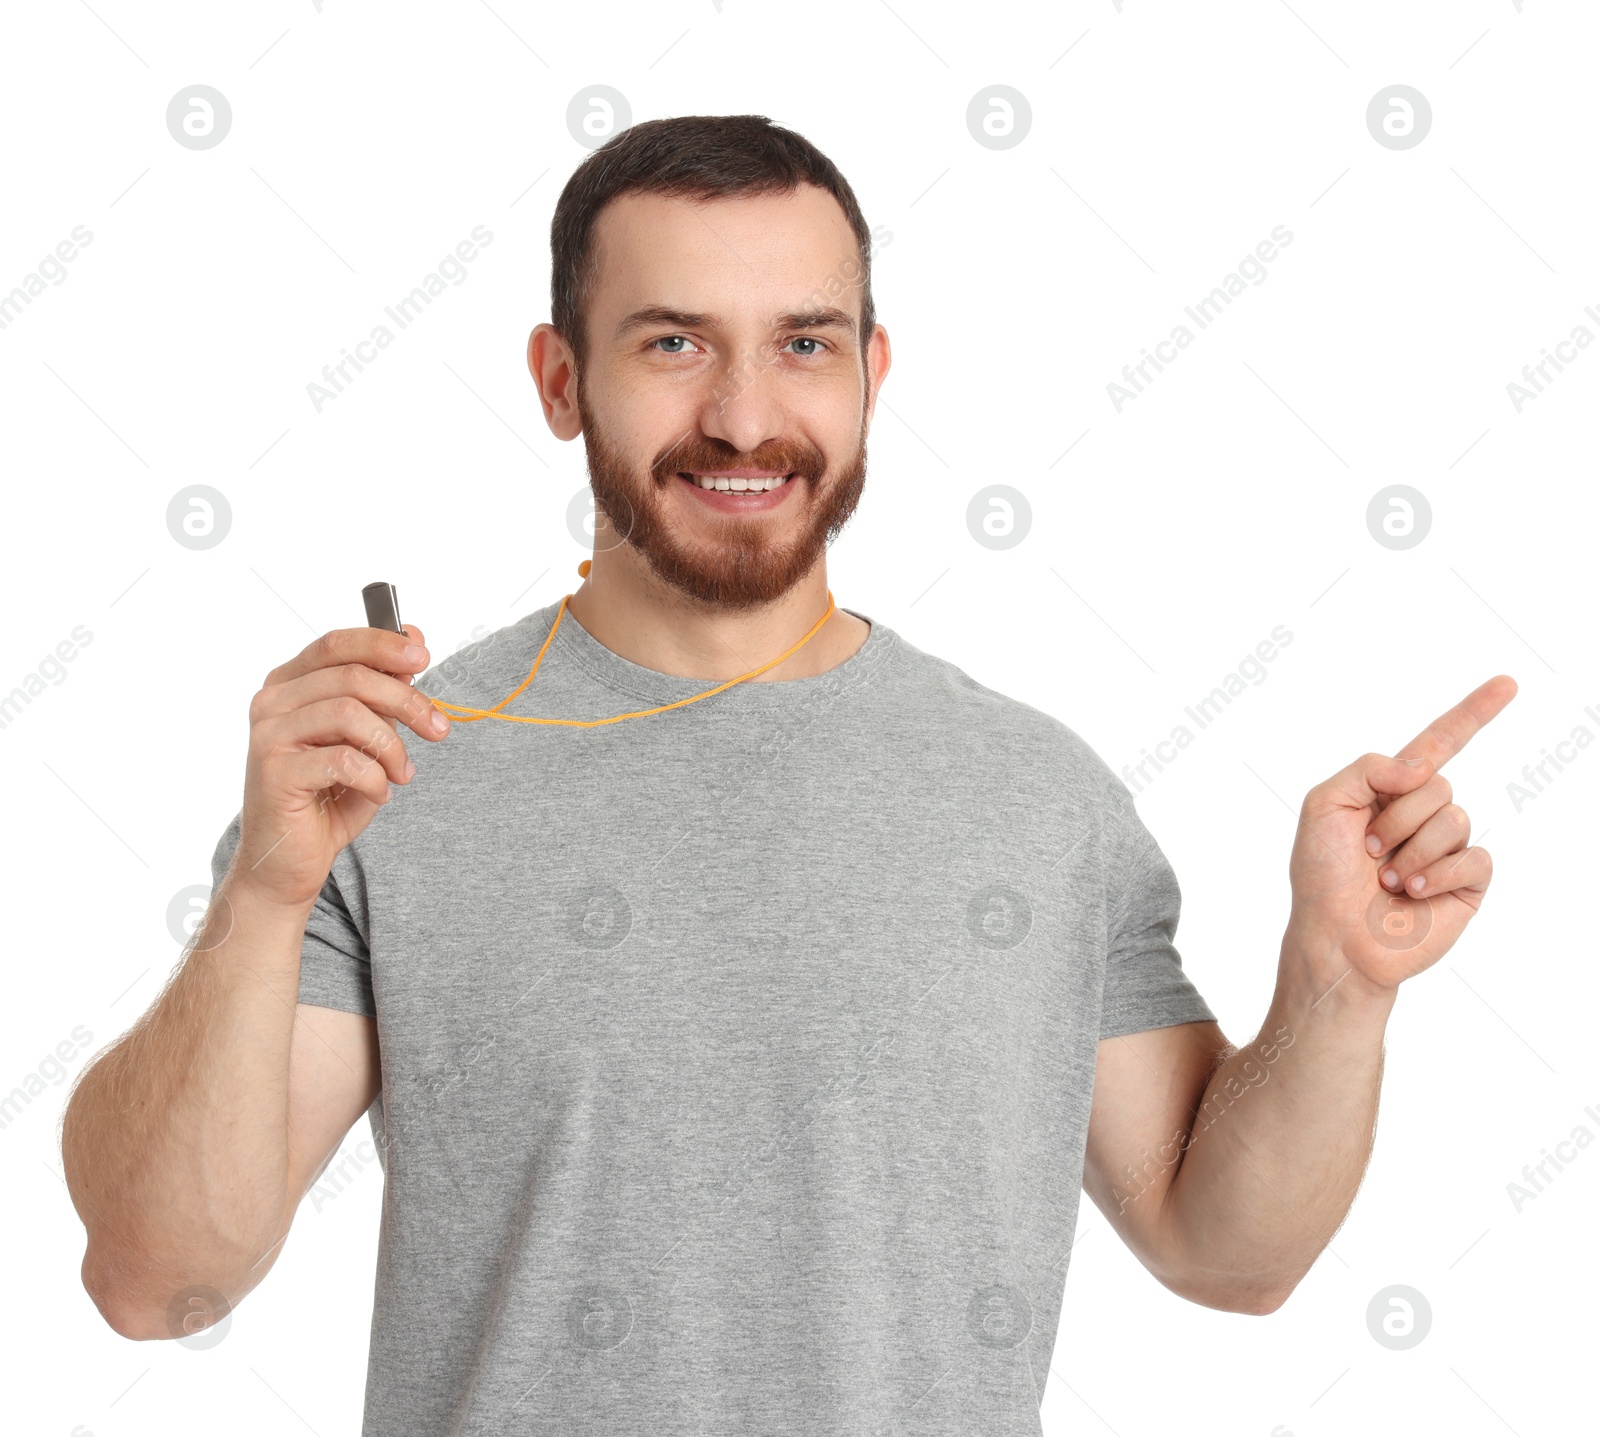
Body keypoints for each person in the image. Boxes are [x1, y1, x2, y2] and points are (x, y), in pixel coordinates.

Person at [61, 114, 1515, 1435]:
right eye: (675, 343)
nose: (748, 417)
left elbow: (1229, 1254)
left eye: (805, 342)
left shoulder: (1034, 798)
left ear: (874, 374)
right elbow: (156, 1281)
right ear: (562, 381)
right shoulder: (393, 782)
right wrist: (261, 894)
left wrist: (1340, 983)